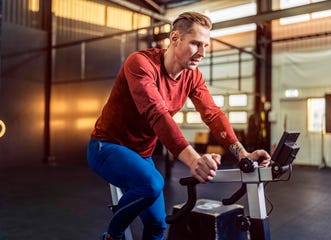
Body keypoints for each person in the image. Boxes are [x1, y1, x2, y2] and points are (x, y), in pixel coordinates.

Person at [87, 11, 271, 240]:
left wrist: (243, 154)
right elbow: (157, 113)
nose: (202, 53)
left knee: (157, 225)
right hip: (107, 146)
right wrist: (194, 160)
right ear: (175, 39)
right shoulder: (141, 63)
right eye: (196, 44)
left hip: (142, 154)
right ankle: (111, 237)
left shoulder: (192, 77)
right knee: (152, 184)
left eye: (205, 45)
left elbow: (212, 114)